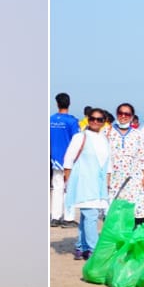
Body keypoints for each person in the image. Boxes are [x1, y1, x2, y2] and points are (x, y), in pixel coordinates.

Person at [63, 108, 111, 260]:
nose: (95, 122)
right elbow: (68, 159)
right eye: (92, 118)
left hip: (99, 184)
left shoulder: (104, 139)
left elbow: (108, 162)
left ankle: (81, 247)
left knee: (87, 216)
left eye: (99, 119)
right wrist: (68, 180)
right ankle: (93, 249)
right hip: (84, 182)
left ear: (104, 122)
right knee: (91, 215)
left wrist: (108, 181)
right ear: (88, 119)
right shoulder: (80, 137)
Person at [107, 102, 144, 221]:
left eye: (127, 114)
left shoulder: (137, 134)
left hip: (133, 178)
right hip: (114, 177)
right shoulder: (108, 132)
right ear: (117, 114)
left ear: (131, 116)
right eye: (120, 113)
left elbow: (142, 156)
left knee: (135, 210)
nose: (123, 116)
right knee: (114, 210)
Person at [51, 93, 81, 228]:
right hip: (69, 160)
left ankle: (55, 217)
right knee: (69, 189)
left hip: (54, 159)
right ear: (69, 104)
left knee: (57, 188)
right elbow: (78, 140)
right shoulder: (72, 121)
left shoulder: (50, 120)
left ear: (57, 104)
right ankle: (68, 218)